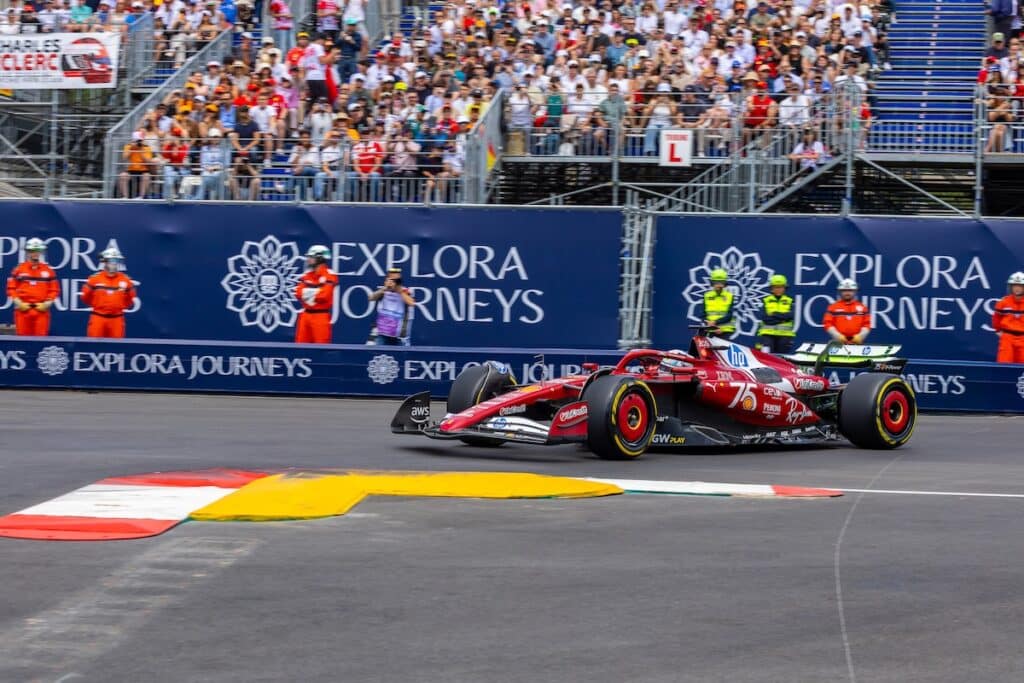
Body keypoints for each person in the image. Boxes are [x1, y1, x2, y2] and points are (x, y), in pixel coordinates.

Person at [7, 238, 59, 336]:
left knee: (40, 341)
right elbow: (11, 288)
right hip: (23, 310)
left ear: (41, 252)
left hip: (41, 311)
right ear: (27, 252)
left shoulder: (48, 271)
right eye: (32, 251)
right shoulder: (19, 269)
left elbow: (54, 290)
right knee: (22, 341)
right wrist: (19, 303)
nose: (35, 253)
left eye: (37, 251)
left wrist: (47, 304)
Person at [80, 247, 137, 338]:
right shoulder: (94, 279)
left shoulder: (126, 280)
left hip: (117, 320)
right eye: (111, 260)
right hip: (98, 318)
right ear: (105, 262)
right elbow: (85, 297)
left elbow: (130, 299)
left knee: (117, 348)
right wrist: (98, 305)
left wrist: (118, 306)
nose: (114, 264)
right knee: (93, 346)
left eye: (116, 261)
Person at [294, 244, 337, 344]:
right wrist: (316, 291)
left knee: (321, 349)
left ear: (320, 258)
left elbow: (324, 295)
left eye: (311, 257)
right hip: (305, 316)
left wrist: (308, 292)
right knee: (300, 348)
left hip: (321, 316)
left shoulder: (330, 275)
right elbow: (298, 293)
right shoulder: (307, 275)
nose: (308, 259)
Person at [368, 267, 415, 345]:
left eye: (396, 281)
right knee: (378, 355)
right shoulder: (383, 291)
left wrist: (399, 291)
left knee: (401, 356)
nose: (394, 283)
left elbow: (411, 303)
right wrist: (384, 289)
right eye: (391, 280)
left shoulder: (405, 291)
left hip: (399, 335)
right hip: (382, 333)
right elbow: (371, 298)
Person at [823, 278, 871, 344]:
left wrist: (860, 336)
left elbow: (867, 324)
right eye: (844, 290)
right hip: (838, 342)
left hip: (857, 342)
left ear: (855, 291)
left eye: (850, 290)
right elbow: (827, 324)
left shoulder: (863, 308)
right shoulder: (833, 307)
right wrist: (838, 336)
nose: (847, 293)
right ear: (840, 292)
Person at [757, 274, 795, 354]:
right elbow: (765, 319)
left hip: (785, 336)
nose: (778, 289)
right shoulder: (765, 300)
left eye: (781, 287)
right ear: (771, 288)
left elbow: (791, 316)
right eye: (776, 287)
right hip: (767, 335)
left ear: (785, 288)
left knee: (782, 359)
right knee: (766, 357)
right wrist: (783, 318)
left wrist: (774, 314)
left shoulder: (790, 301)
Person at [992, 271, 1024, 363]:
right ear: (1010, 287)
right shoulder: (1003, 302)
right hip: (1007, 337)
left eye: (1020, 286)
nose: (1017, 288)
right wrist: (998, 330)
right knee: (1004, 363)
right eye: (1014, 285)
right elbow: (996, 318)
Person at [696, 268, 735, 337]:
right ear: (712, 283)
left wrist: (715, 323)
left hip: (724, 331)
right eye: (716, 282)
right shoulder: (707, 296)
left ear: (725, 283)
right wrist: (709, 324)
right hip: (710, 330)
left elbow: (729, 315)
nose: (719, 285)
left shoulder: (729, 296)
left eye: (721, 282)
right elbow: (702, 315)